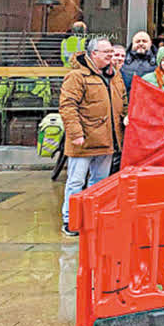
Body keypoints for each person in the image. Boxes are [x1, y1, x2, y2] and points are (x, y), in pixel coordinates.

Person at [59, 37, 127, 237]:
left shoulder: (115, 75)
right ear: (93, 53)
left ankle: (92, 218)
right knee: (76, 182)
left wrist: (126, 116)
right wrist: (76, 133)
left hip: (107, 140)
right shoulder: (76, 76)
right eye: (107, 52)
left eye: (112, 52)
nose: (111, 55)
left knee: (99, 182)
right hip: (84, 140)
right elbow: (68, 106)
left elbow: (123, 100)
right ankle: (70, 220)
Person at [120, 31, 156, 96]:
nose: (141, 43)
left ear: (150, 43)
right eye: (138, 41)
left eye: (144, 41)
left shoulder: (158, 61)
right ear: (132, 43)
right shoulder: (122, 60)